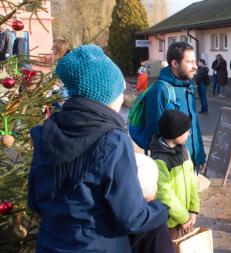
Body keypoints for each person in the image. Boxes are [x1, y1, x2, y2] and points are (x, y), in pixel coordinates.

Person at [27, 44, 173, 253]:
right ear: (104, 95)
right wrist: (161, 209)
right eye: (120, 91)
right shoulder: (112, 141)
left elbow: (34, 202)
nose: (123, 98)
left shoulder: (46, 132)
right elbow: (131, 218)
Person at [139, 42, 206, 169]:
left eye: (195, 61)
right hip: (173, 166)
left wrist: (199, 155)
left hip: (191, 161)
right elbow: (154, 134)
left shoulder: (188, 86)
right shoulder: (160, 90)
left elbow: (194, 125)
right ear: (175, 64)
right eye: (190, 62)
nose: (195, 66)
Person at [149, 110, 200, 239]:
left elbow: (192, 181)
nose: (189, 133)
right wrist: (184, 217)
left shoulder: (183, 150)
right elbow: (165, 195)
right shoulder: (160, 159)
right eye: (186, 131)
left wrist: (193, 209)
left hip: (185, 218)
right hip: (170, 224)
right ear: (175, 133)